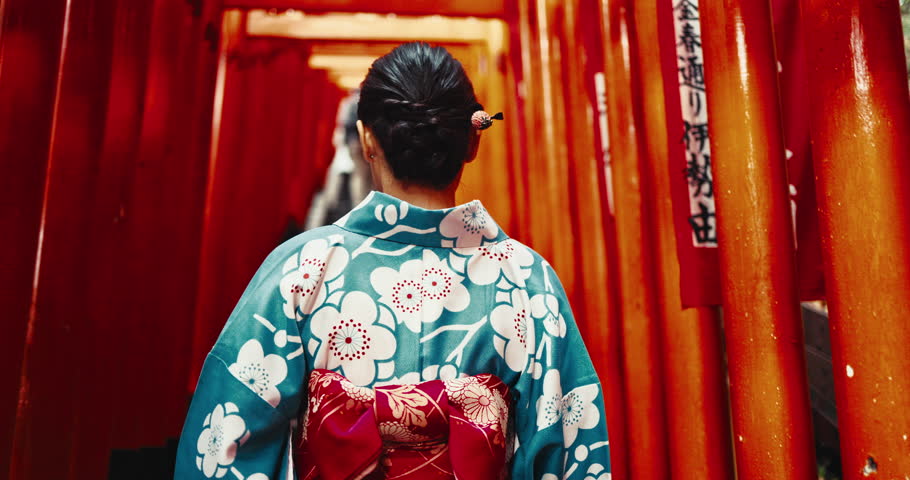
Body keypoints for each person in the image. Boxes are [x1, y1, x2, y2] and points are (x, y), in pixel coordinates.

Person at [174, 42, 610, 480]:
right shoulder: (527, 280)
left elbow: (224, 439)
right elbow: (572, 448)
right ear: (473, 140)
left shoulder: (303, 268)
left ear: (366, 140)